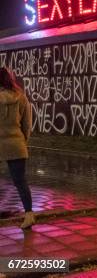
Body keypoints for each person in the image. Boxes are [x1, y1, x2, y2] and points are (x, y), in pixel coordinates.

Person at [0, 67, 35, 229]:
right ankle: (29, 215)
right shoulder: (21, 97)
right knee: (20, 181)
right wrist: (22, 140)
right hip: (16, 143)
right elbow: (27, 124)